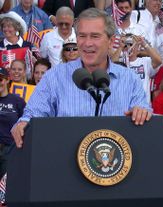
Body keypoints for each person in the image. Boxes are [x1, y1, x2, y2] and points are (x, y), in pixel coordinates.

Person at [11, 8, 152, 148]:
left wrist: (142, 113)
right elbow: (34, 113)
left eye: (95, 36)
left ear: (111, 41)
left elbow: (144, 110)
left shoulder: (129, 79)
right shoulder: (55, 76)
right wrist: (23, 123)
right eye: (82, 36)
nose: (87, 43)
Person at [0, 67, 26, 179]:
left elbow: (25, 124)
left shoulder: (17, 101)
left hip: (9, 149)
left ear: (7, 80)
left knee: (6, 183)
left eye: (0, 79)